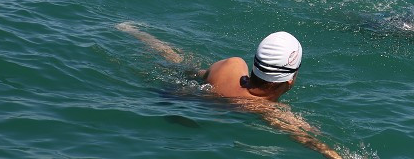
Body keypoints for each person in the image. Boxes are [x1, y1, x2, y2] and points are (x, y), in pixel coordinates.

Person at [116, 22, 343, 159]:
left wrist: (145, 37)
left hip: (171, 95)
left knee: (180, 64)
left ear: (256, 63)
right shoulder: (267, 110)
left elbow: (184, 67)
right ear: (291, 79)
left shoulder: (231, 66)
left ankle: (131, 31)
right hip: (189, 119)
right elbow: (306, 139)